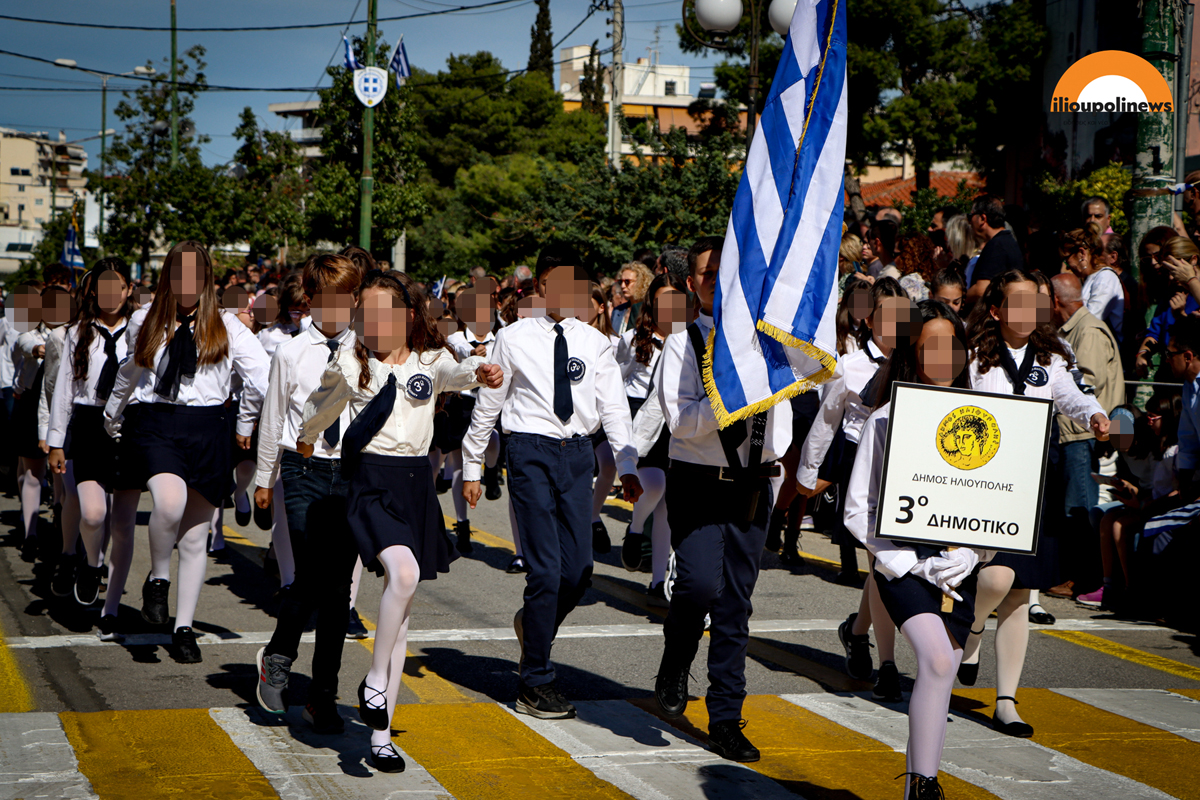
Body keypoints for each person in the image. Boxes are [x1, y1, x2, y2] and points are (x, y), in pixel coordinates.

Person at [297, 270, 501, 771]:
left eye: (386, 310)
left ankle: (382, 733)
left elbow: (461, 375)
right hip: (368, 481)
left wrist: (484, 372)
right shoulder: (350, 359)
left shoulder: (429, 361)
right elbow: (321, 406)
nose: (375, 320)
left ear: (409, 316)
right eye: (366, 311)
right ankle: (372, 682)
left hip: (415, 483)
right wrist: (306, 438)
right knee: (404, 576)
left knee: (402, 609)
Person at [461, 245, 642, 720]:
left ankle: (532, 626)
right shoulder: (514, 337)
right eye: (559, 283)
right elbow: (489, 403)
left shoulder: (594, 341)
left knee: (580, 570)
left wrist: (627, 464)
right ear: (541, 286)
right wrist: (474, 465)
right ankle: (534, 680)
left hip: (578, 455)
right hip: (530, 452)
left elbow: (613, 407)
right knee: (544, 571)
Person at [652, 235, 790, 763]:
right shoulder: (682, 343)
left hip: (754, 484)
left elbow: (787, 417)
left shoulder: (766, 347)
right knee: (698, 584)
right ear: (692, 283)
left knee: (735, 604)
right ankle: (675, 656)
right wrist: (730, 401)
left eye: (728, 274)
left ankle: (726, 717)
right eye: (710, 275)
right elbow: (681, 423)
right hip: (698, 481)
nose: (720, 283)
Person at [957, 270, 1109, 739]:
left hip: (1034, 479)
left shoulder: (1054, 354)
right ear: (998, 310)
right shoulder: (972, 355)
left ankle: (1006, 701)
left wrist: (1096, 414)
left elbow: (1074, 396)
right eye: (1016, 303)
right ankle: (973, 626)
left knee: (1021, 591)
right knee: (993, 577)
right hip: (982, 479)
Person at [104, 241, 271, 664]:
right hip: (157, 423)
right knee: (169, 503)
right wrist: (112, 414)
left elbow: (261, 379)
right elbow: (131, 371)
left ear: (208, 279)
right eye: (179, 274)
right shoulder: (147, 318)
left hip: (209, 428)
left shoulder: (228, 326)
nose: (187, 283)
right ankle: (158, 579)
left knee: (196, 537)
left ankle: (183, 627)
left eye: (196, 275)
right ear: (168, 278)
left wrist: (247, 422)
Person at [844, 298, 984, 800]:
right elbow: (857, 510)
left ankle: (916, 784)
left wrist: (969, 554)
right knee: (941, 661)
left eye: (953, 345)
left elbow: (995, 503)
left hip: (956, 569)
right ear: (914, 354)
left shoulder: (986, 418)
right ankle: (926, 787)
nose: (944, 356)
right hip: (902, 567)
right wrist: (909, 564)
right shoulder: (886, 419)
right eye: (932, 346)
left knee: (942, 668)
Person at [250, 253, 365, 733]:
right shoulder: (291, 352)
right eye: (325, 299)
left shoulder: (369, 350)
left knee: (338, 589)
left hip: (352, 473)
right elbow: (274, 415)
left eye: (345, 298)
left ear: (356, 300)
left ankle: (322, 694)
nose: (335, 308)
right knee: (314, 571)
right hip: (303, 469)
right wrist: (263, 477)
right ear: (310, 301)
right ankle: (278, 659)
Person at [798, 277, 905, 701]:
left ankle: (857, 632)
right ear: (869, 317)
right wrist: (808, 473)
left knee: (882, 565)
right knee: (880, 561)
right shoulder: (849, 364)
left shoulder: (918, 360)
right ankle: (889, 665)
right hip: (862, 466)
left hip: (904, 470)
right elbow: (826, 420)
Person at [45, 260, 139, 640]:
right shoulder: (78, 332)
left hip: (129, 425)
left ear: (129, 290)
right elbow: (65, 388)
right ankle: (88, 562)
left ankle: (111, 603)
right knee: (93, 512)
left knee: (123, 521)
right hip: (87, 425)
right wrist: (55, 440)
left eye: (117, 287)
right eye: (103, 287)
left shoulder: (142, 328)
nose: (111, 295)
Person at [1050, 272, 1125, 597]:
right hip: (1071, 434)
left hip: (1082, 436)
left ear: (1055, 302)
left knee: (1079, 508)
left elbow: (1087, 383)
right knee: (1072, 508)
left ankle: (1088, 577)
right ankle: (1078, 574)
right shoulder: (1073, 329)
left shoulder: (1088, 331)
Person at [617, 272, 689, 603]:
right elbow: (614, 382)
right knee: (655, 485)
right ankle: (635, 529)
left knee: (669, 506)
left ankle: (658, 581)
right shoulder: (634, 339)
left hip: (678, 424)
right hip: (643, 425)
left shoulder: (693, 339)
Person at [1062, 226, 1123, 340]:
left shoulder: (1106, 277)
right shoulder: (1091, 277)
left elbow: (1092, 318)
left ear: (1082, 253)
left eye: (1067, 258)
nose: (1067, 265)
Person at [964, 196, 1023, 303]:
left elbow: (981, 290)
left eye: (970, 216)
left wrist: (960, 299)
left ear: (982, 218)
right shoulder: (1008, 242)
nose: (969, 222)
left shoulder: (996, 245)